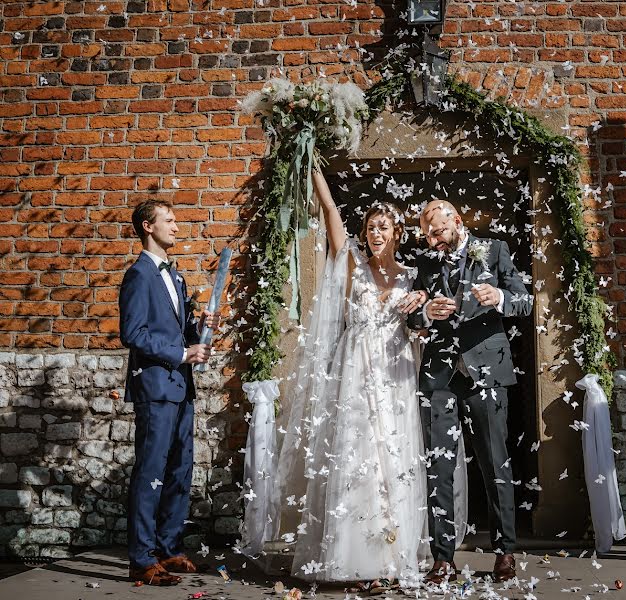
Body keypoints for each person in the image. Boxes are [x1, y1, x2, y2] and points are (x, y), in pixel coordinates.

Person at [239, 171, 467, 593]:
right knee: (356, 458)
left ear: (397, 232)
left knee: (393, 462)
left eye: (383, 227)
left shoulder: (413, 275)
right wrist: (311, 164)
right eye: (369, 227)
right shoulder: (352, 264)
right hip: (358, 374)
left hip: (396, 372)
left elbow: (422, 327)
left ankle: (390, 556)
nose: (375, 233)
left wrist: (421, 316)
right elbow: (329, 211)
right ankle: (350, 555)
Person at [407, 200, 532, 584]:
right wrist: (428, 314)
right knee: (438, 467)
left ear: (457, 222)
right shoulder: (426, 264)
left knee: (496, 463)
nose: (434, 239)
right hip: (441, 376)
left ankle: (504, 552)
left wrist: (501, 299)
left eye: (439, 231)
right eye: (428, 234)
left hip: (487, 373)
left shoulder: (494, 250)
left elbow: (525, 302)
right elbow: (412, 315)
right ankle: (443, 559)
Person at [120, 199, 220, 585]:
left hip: (182, 387)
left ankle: (170, 547)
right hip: (156, 387)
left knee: (179, 470)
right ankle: (142, 558)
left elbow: (180, 334)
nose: (177, 227)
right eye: (170, 221)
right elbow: (133, 333)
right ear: (148, 226)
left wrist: (198, 325)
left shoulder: (175, 277)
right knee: (151, 472)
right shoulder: (139, 275)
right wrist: (181, 352)